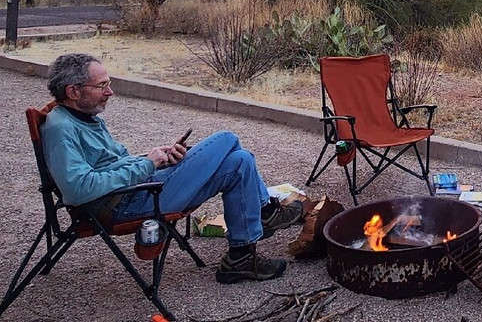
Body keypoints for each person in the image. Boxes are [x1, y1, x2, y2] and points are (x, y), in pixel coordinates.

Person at [41, 53, 303, 284]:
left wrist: (160, 158)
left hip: (141, 189)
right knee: (227, 138)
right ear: (73, 92)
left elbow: (113, 165)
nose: (110, 92)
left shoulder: (85, 118)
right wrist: (147, 164)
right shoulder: (61, 129)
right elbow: (77, 190)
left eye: (108, 84)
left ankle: (241, 258)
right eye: (102, 86)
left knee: (240, 161)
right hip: (127, 204)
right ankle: (265, 211)